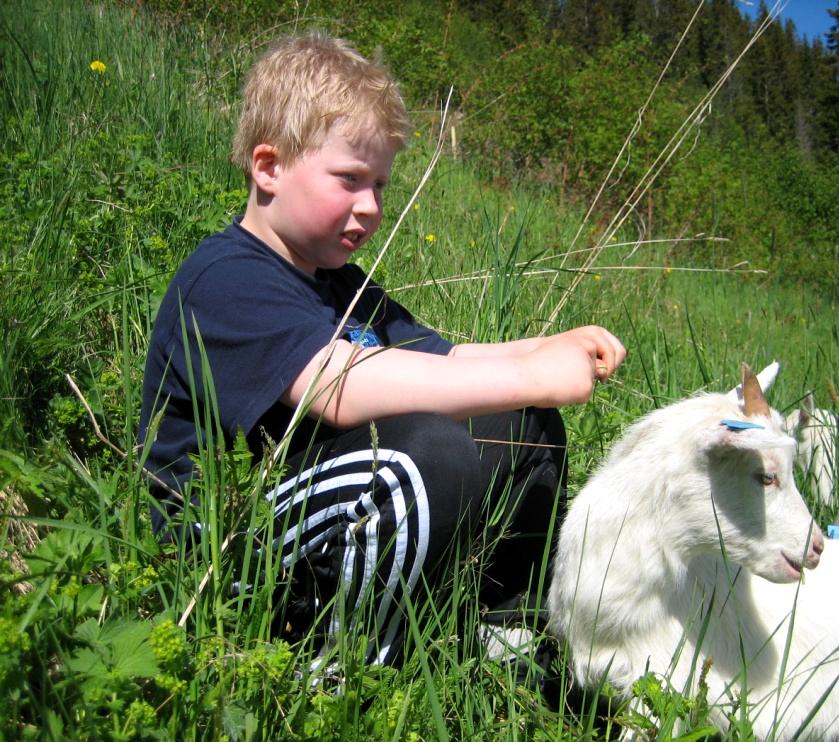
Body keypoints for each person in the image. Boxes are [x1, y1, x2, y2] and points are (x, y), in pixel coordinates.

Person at [138, 31, 625, 667]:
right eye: (349, 179)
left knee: (523, 426)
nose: (370, 208)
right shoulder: (228, 277)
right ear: (269, 167)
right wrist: (534, 374)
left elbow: (442, 359)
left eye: (381, 187)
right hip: (217, 545)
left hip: (316, 515)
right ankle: (344, 669)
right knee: (422, 457)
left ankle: (503, 633)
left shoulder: (340, 285)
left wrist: (547, 346)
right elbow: (336, 386)